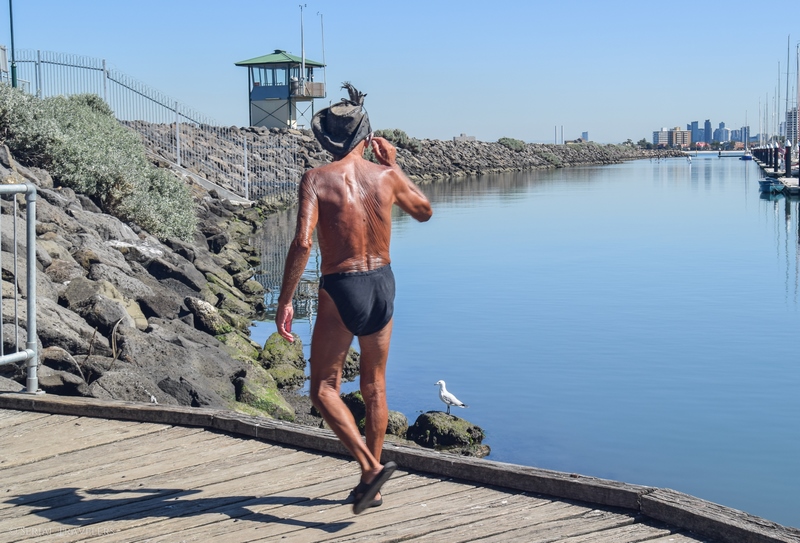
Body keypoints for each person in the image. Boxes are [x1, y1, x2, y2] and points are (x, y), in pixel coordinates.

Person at [276, 83, 433, 514]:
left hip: (342, 286)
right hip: (382, 283)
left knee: (323, 388)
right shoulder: (386, 176)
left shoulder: (316, 178)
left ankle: (369, 467)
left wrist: (286, 300)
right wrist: (394, 166)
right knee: (374, 386)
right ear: (367, 137)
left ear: (326, 140)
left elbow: (302, 243)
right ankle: (372, 487)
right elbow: (424, 211)